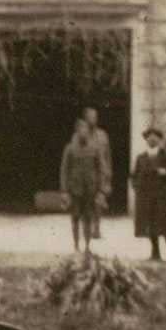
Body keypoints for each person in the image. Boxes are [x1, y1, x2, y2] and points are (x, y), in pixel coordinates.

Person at [60, 107, 111, 255]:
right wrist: (64, 190)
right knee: (75, 217)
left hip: (91, 188)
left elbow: (101, 168)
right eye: (80, 129)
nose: (83, 132)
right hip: (75, 189)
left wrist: (102, 189)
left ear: (88, 132)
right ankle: (76, 246)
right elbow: (64, 170)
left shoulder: (95, 149)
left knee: (88, 217)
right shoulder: (69, 149)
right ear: (76, 131)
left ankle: (87, 246)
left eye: (85, 130)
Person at [131, 125, 166, 263]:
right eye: (149, 136)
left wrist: (165, 172)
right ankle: (155, 254)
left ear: (160, 139)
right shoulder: (141, 157)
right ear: (146, 139)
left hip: (164, 196)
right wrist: (137, 188)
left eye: (155, 136)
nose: (152, 139)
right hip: (147, 197)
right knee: (151, 227)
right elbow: (135, 176)